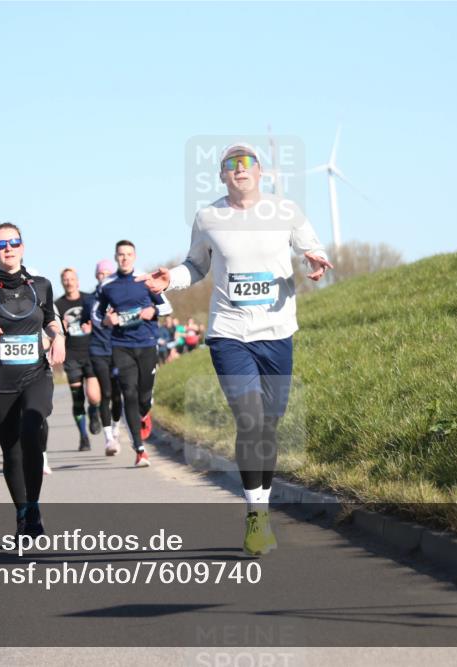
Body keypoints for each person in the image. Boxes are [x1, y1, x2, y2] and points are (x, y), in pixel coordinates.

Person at [137, 142, 333, 555]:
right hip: (229, 332)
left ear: (261, 172)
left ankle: (261, 506)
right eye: (230, 164)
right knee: (250, 420)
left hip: (277, 331)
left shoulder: (286, 211)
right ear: (222, 175)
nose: (239, 169)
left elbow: (311, 247)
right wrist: (167, 279)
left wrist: (316, 261)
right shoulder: (209, 217)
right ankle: (256, 515)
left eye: (246, 163)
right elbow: (196, 266)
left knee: (269, 425)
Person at [0, 222, 65, 537]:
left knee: (31, 428)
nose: (8, 248)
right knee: (11, 448)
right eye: (1, 244)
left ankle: (33, 507)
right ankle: (22, 512)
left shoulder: (42, 285)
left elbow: (50, 319)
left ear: (23, 247)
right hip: (1, 381)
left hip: (36, 373)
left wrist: (58, 336)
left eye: (14, 242)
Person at [97, 240, 172, 467]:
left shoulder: (145, 281)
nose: (125, 258)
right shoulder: (108, 285)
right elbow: (99, 315)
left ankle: (145, 411)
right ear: (116, 257)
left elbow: (168, 308)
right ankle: (139, 450)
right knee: (128, 392)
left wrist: (153, 310)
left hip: (147, 343)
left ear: (135, 256)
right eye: (121, 255)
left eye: (129, 254)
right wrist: (106, 320)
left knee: (143, 396)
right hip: (121, 345)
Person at [80, 259, 125, 454]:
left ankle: (116, 427)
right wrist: (84, 326)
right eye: (100, 273)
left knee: (117, 394)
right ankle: (108, 439)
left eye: (106, 273)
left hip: (117, 349)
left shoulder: (119, 296)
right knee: (105, 393)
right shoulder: (89, 300)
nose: (103, 276)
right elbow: (83, 321)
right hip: (97, 350)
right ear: (96, 276)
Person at [54, 268, 99, 452]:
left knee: (94, 396)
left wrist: (93, 326)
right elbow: (53, 332)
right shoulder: (58, 305)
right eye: (65, 279)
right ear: (62, 282)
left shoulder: (89, 299)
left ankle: (94, 411)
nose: (69, 282)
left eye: (72, 278)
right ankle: (83, 436)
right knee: (77, 399)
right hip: (71, 356)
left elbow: (101, 320)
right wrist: (61, 329)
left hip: (91, 352)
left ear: (78, 281)